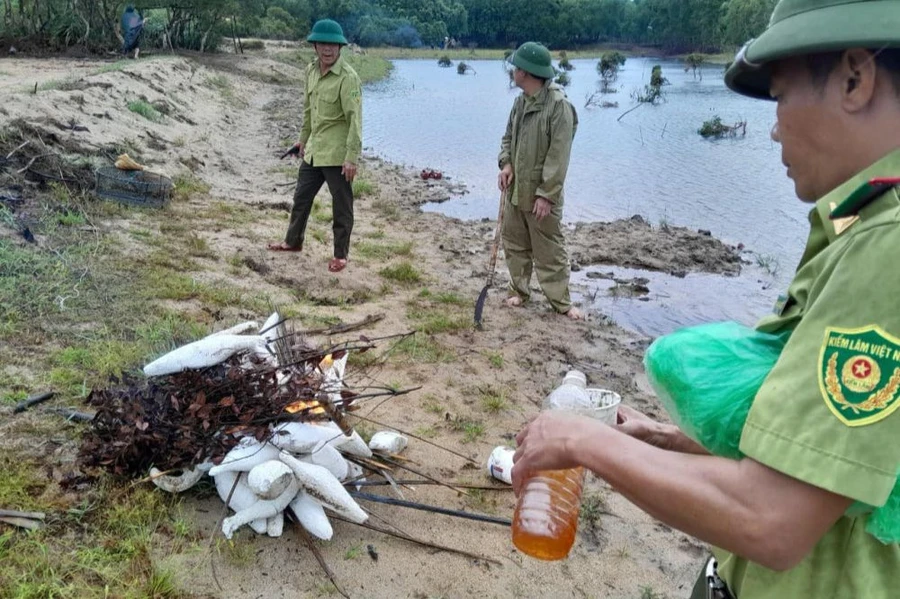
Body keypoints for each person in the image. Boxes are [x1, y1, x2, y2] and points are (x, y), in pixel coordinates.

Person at [512, 0, 900, 597]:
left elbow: (775, 522)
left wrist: (580, 440)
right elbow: (842, 462)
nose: (773, 127)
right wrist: (673, 442)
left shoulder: (888, 247)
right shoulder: (860, 225)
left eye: (781, 96)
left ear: (855, 77)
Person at [268, 19, 362, 273]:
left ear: (340, 47)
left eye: (333, 44)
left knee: (341, 206)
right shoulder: (310, 71)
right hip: (314, 151)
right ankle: (292, 242)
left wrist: (352, 157)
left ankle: (340, 256)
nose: (327, 49)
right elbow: (309, 112)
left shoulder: (348, 78)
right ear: (315, 46)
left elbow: (355, 120)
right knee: (301, 197)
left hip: (337, 155)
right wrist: (303, 140)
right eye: (322, 44)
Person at [498, 41, 583, 320]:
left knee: (548, 248)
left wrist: (546, 195)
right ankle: (519, 291)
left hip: (540, 194)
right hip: (516, 189)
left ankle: (561, 303)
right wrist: (506, 164)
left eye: (516, 67)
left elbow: (559, 157)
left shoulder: (559, 107)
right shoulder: (520, 102)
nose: (513, 71)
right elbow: (508, 137)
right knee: (515, 242)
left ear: (527, 72)